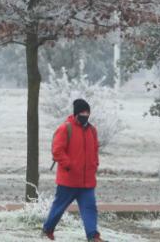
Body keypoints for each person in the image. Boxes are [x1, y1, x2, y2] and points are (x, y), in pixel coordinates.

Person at [42, 99, 104, 241]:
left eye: (87, 112)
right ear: (76, 113)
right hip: (68, 181)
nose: (85, 115)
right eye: (82, 112)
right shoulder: (65, 128)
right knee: (58, 209)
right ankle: (47, 229)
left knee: (90, 209)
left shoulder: (92, 130)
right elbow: (57, 151)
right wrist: (69, 165)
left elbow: (95, 151)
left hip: (87, 182)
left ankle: (93, 236)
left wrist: (95, 165)